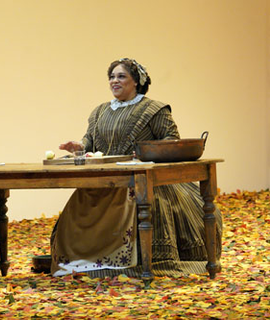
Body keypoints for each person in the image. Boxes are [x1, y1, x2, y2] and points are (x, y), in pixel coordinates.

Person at [51, 58, 223, 278]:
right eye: (111, 77)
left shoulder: (154, 110)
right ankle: (89, 257)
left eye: (121, 76)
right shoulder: (99, 112)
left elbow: (171, 141)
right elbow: (90, 143)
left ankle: (143, 260)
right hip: (106, 180)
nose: (115, 81)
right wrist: (79, 146)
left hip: (144, 179)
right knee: (81, 202)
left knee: (151, 203)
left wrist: (146, 154)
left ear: (137, 82)